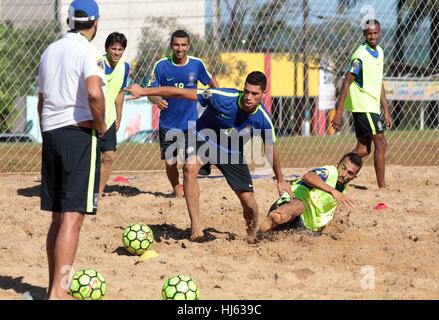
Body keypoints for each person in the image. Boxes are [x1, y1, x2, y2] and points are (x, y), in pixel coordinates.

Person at [125, 71, 291, 242]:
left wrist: (280, 179)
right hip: (203, 137)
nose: (248, 97)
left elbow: (270, 149)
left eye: (254, 93)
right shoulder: (221, 96)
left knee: (250, 204)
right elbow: (180, 92)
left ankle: (251, 235)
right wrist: (144, 91)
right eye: (246, 91)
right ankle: (196, 229)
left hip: (232, 151)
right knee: (190, 167)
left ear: (264, 94)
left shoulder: (263, 119)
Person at [38, 0, 105, 300]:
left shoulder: (49, 51)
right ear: (95, 24)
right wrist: (101, 125)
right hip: (78, 134)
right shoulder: (87, 52)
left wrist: (48, 133)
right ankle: (59, 292)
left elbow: (42, 101)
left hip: (51, 133)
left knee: (57, 217)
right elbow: (94, 92)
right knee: (72, 218)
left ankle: (53, 288)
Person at [147, 30, 219, 197]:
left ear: (188, 46)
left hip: (190, 124)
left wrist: (216, 101)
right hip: (168, 124)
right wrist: (156, 99)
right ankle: (176, 189)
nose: (180, 48)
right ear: (171, 45)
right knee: (171, 162)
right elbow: (150, 91)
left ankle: (192, 190)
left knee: (189, 163)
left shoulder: (196, 64)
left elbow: (213, 84)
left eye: (183, 45)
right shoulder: (161, 65)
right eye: (176, 45)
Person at [331, 19, 392, 188]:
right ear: (364, 34)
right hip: (362, 105)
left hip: (372, 107)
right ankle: (382, 187)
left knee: (364, 149)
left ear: (380, 33)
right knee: (381, 142)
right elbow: (346, 82)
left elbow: (379, 82)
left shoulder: (379, 52)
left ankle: (336, 171)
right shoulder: (360, 55)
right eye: (369, 33)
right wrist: (339, 111)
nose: (372, 36)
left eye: (375, 33)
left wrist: (386, 110)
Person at [259, 153, 362, 234]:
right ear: (337, 164)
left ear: (354, 177)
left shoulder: (342, 190)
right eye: (343, 168)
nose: (344, 175)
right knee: (297, 207)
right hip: (288, 207)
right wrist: (332, 191)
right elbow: (308, 176)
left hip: (301, 224)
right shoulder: (330, 171)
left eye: (350, 173)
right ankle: (261, 232)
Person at [99, 32, 130, 196]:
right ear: (107, 48)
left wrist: (119, 115)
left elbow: (120, 92)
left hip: (108, 118)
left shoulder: (125, 67)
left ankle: (97, 193)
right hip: (90, 118)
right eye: (113, 48)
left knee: (109, 157)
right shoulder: (97, 63)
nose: (117, 52)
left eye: (120, 49)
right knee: (87, 160)